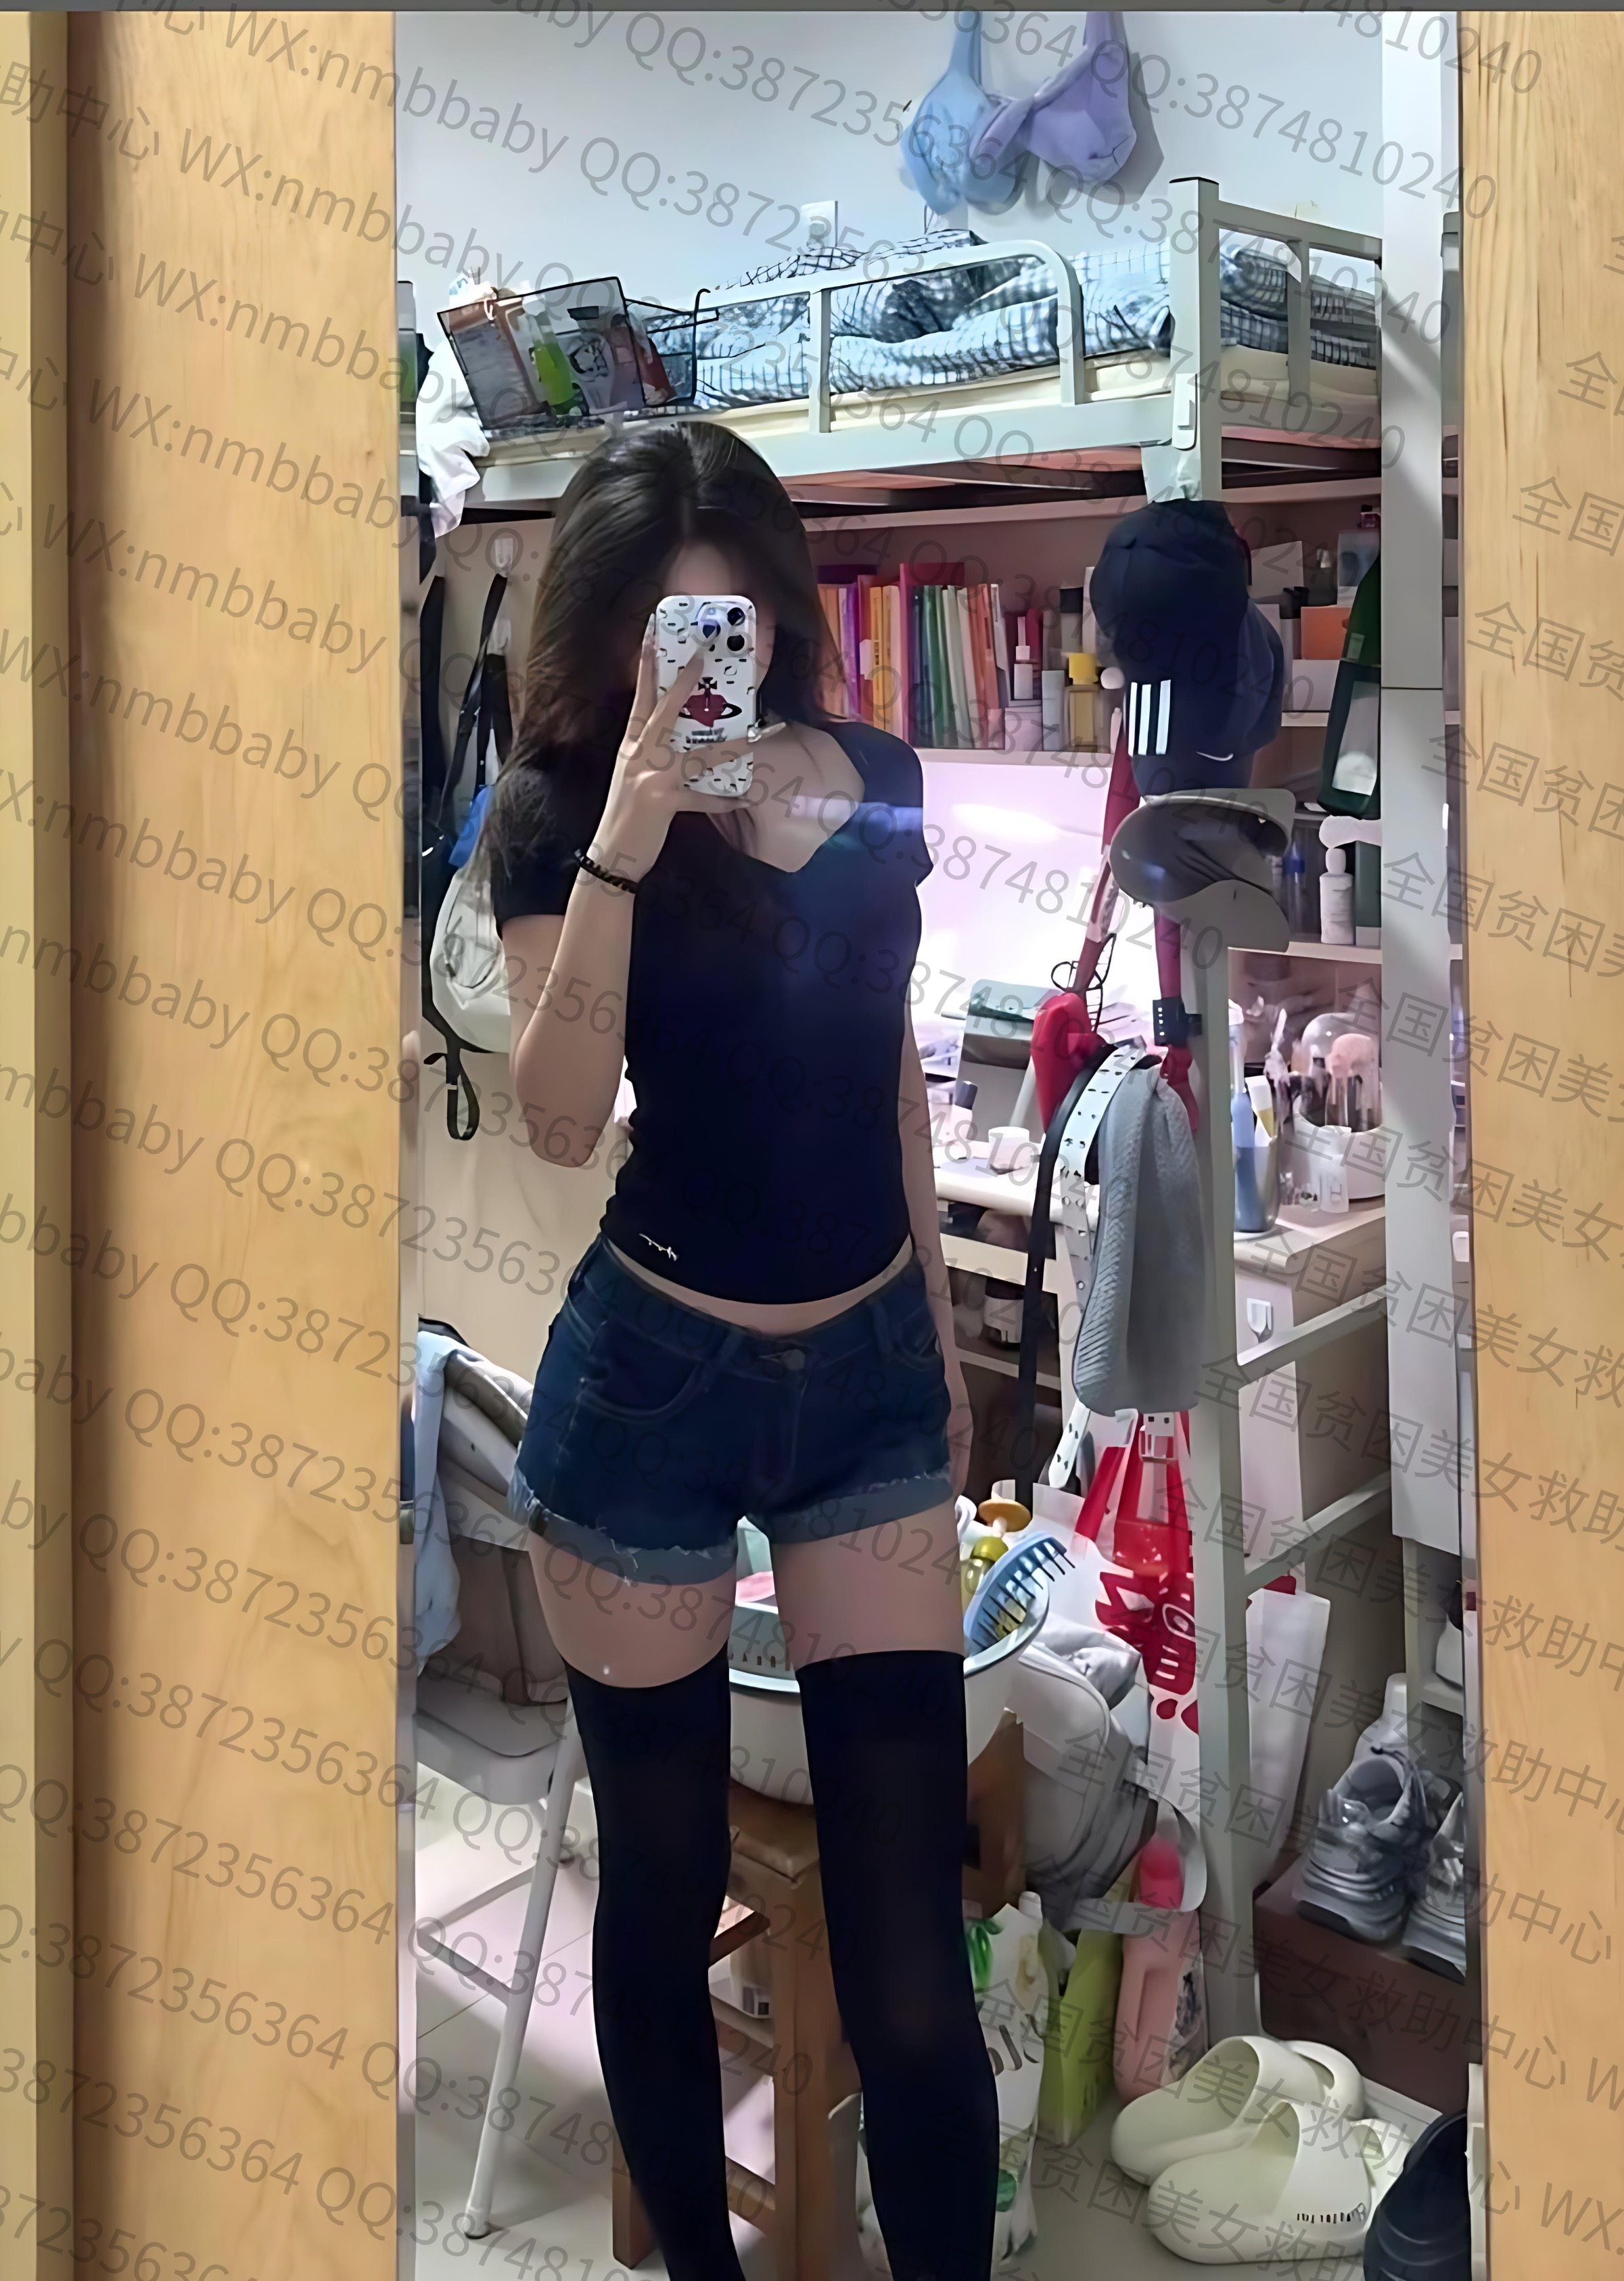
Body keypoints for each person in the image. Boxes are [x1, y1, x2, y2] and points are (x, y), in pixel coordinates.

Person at [478, 420, 998, 2281]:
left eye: (739, 619)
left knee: (910, 1950)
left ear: (781, 609)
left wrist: (934, 1329)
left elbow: (890, 1070)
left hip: (865, 1383)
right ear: (611, 637)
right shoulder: (555, 812)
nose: (714, 658)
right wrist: (626, 843)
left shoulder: (878, 775)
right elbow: (558, 1120)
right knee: (663, 1894)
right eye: (669, 630)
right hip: (653, 1392)